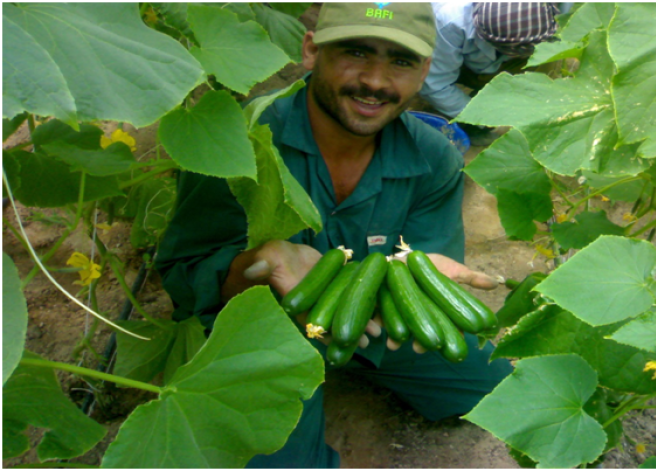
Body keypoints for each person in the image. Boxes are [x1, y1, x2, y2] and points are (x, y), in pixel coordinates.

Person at [155, 3, 512, 468]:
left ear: (425, 71)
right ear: (310, 50)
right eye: (356, 51)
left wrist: (418, 273)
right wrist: (256, 266)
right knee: (275, 460)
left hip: (378, 319)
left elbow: (427, 259)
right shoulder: (238, 138)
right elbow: (186, 276)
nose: (376, 80)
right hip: (269, 327)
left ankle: (346, 359)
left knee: (495, 388)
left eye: (401, 61)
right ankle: (315, 373)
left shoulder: (435, 157)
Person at [419, 2, 571, 146]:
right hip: (449, 57)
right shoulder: (447, 23)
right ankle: (471, 118)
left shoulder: (550, 10)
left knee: (543, 63)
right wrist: (483, 117)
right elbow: (435, 85)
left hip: (495, 52)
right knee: (441, 86)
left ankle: (491, 95)